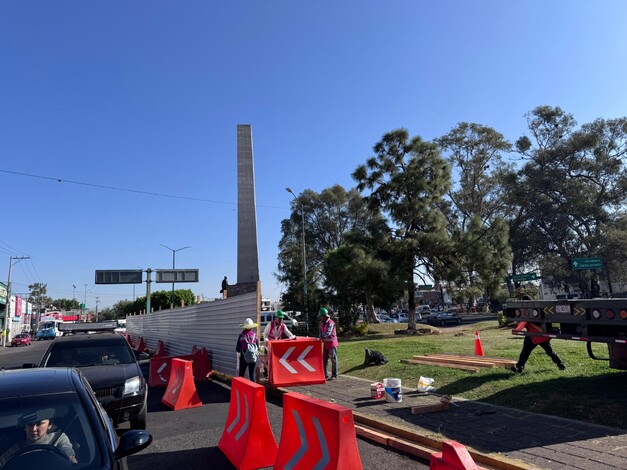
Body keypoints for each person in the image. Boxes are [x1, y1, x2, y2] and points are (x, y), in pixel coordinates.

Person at [0, 409, 77, 465]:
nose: (33, 429)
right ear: (24, 427)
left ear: (49, 425)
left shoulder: (58, 438)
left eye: (39, 424)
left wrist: (69, 457)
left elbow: (66, 449)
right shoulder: (15, 449)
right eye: (30, 424)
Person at [510, 295, 565, 373]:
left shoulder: (532, 311)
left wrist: (529, 322)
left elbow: (538, 327)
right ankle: (519, 367)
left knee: (546, 352)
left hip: (537, 336)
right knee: (528, 352)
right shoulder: (531, 310)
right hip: (535, 336)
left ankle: (560, 365)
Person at [235, 318, 259, 382]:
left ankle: (241, 390)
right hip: (253, 357)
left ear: (244, 327)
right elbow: (257, 346)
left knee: (241, 374)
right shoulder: (254, 335)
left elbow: (237, 349)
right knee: (252, 375)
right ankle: (254, 390)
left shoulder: (241, 336)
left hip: (244, 357)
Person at [318, 307, 338, 380]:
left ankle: (334, 375)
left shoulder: (331, 323)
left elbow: (328, 332)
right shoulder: (321, 323)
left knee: (333, 359)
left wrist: (321, 337)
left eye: (321, 316)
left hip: (332, 343)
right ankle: (325, 375)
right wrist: (319, 337)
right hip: (326, 343)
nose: (320, 318)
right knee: (325, 359)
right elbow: (320, 332)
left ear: (325, 316)